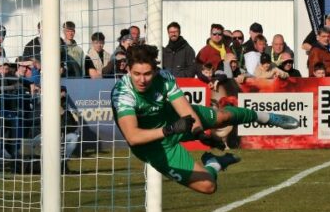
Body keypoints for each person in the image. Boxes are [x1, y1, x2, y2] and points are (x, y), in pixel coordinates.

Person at [111, 44, 299, 194]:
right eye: (136, 74)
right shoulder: (123, 93)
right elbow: (133, 136)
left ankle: (266, 117)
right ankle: (214, 164)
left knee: (222, 116)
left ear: (155, 70)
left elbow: (186, 112)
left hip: (169, 117)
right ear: (128, 69)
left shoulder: (164, 77)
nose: (142, 80)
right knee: (208, 187)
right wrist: (169, 130)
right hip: (153, 146)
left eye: (147, 74)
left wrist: (200, 134)